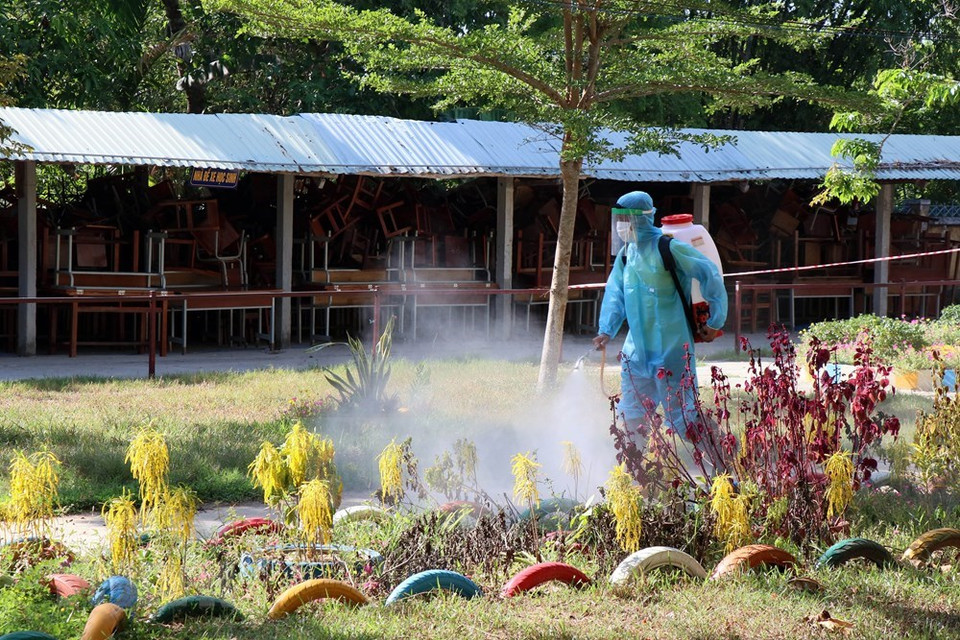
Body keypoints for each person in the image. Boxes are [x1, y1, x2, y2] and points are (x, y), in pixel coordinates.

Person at [593, 191, 727, 438]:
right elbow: (616, 292)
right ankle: (637, 469)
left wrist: (715, 320)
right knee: (632, 414)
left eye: (627, 219)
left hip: (672, 349)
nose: (622, 226)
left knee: (684, 416)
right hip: (636, 352)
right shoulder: (626, 254)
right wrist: (606, 329)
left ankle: (712, 464)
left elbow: (709, 273)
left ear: (642, 219)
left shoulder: (668, 248)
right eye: (619, 220)